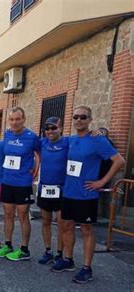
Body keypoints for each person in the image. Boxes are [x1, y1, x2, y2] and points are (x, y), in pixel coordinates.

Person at [52, 105, 124, 284]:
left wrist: (102, 182)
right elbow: (51, 138)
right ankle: (68, 260)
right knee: (67, 226)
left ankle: (86, 268)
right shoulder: (71, 140)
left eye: (83, 117)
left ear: (90, 120)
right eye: (76, 117)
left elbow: (119, 161)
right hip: (69, 192)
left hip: (86, 193)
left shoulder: (98, 140)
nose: (79, 120)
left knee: (86, 230)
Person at [0, 107, 40, 261]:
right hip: (7, 181)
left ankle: (24, 249)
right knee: (8, 215)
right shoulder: (7, 134)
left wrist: (36, 169)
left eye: (17, 119)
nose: (14, 122)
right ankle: (7, 245)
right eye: (12, 119)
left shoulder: (32, 137)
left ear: (24, 119)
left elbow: (40, 153)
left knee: (22, 216)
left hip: (22, 183)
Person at [36, 117, 68, 264]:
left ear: (60, 128)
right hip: (45, 188)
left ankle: (60, 254)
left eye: (53, 128)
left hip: (61, 189)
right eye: (47, 129)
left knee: (62, 223)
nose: (50, 131)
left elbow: (85, 139)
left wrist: (97, 133)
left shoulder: (68, 142)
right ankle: (48, 251)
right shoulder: (42, 143)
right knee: (46, 222)